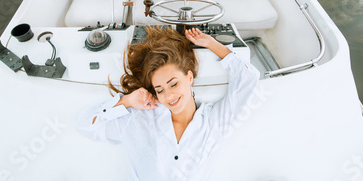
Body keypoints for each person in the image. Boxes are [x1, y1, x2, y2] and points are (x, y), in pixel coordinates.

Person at [76, 26, 260, 180]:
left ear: (189, 77)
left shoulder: (215, 121)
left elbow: (249, 77)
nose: (169, 95)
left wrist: (211, 43)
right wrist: (127, 100)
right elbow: (85, 126)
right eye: (160, 89)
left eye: (174, 83)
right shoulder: (140, 119)